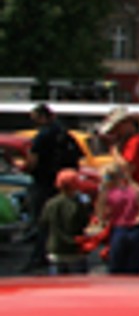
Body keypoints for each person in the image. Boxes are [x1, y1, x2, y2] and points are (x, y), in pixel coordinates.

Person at [22, 104, 82, 271]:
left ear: (42, 117)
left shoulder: (42, 136)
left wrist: (24, 167)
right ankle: (62, 252)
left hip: (43, 182)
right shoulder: (65, 134)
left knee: (41, 221)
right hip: (62, 184)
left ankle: (40, 256)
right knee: (62, 221)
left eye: (34, 119)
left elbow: (32, 161)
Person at [98, 161, 139, 275]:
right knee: (135, 270)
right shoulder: (135, 190)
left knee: (116, 270)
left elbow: (101, 215)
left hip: (119, 229)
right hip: (137, 229)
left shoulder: (107, 194)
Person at [43, 169, 92, 275]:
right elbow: (85, 223)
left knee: (57, 286)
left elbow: (44, 223)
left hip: (55, 249)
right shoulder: (79, 205)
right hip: (75, 250)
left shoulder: (51, 204)